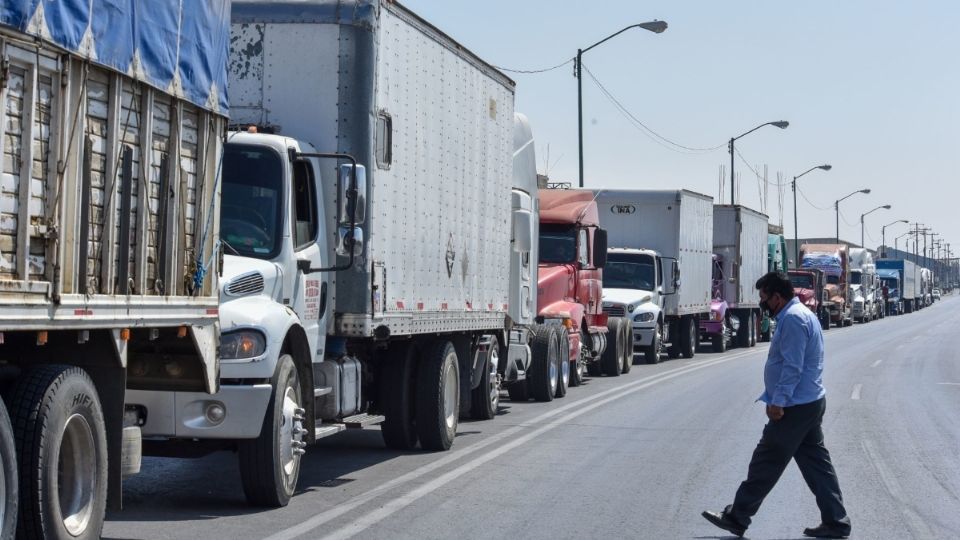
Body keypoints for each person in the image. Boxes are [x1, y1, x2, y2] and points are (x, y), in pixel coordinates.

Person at [702, 272, 851, 538]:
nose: (763, 304)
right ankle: (836, 521)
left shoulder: (793, 319)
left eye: (764, 298)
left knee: (766, 461)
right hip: (809, 402)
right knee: (817, 465)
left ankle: (738, 517)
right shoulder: (800, 315)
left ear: (777, 297)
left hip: (795, 406)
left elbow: (793, 366)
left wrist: (778, 401)